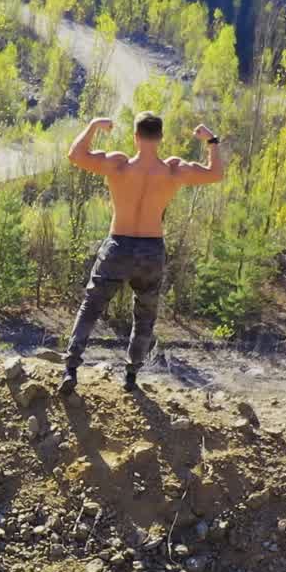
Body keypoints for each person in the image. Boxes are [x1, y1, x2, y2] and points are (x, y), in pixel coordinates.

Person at [58, 111, 224, 395]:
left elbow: (76, 154)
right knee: (144, 315)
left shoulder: (118, 165)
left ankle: (71, 368)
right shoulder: (173, 170)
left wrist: (93, 126)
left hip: (118, 245)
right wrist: (211, 140)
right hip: (150, 248)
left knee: (91, 306)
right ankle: (131, 376)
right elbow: (216, 174)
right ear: (160, 138)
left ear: (135, 137)